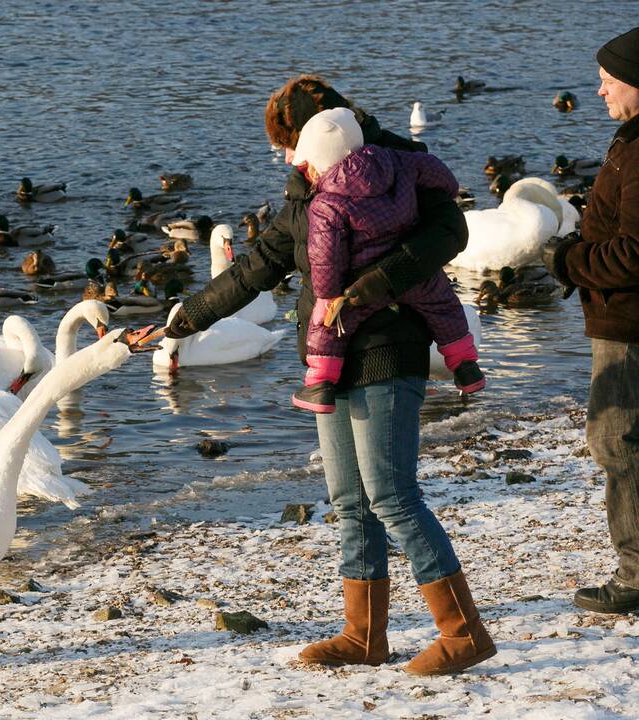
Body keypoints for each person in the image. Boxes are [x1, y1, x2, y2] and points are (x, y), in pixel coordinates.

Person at [166, 75, 496, 674]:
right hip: (328, 356)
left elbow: (450, 234)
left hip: (386, 347)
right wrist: (185, 318)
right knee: (350, 500)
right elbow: (264, 262)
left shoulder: (404, 165)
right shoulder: (306, 185)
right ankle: (364, 635)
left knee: (392, 494)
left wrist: (379, 283)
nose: (285, 158)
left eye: (286, 142)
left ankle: (464, 632)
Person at [289, 107, 484, 413]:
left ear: (319, 162)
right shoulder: (397, 161)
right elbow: (439, 173)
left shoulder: (326, 204)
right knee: (444, 306)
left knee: (328, 325)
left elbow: (326, 259)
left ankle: (320, 384)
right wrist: (447, 190)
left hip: (360, 285)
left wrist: (328, 297)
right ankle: (465, 366)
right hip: (410, 272)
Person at [543, 26, 639, 614]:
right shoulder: (628, 141)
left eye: (608, 81)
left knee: (616, 442)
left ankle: (634, 578)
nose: (599, 92)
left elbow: (633, 253)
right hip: (621, 318)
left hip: (626, 324)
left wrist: (568, 261)